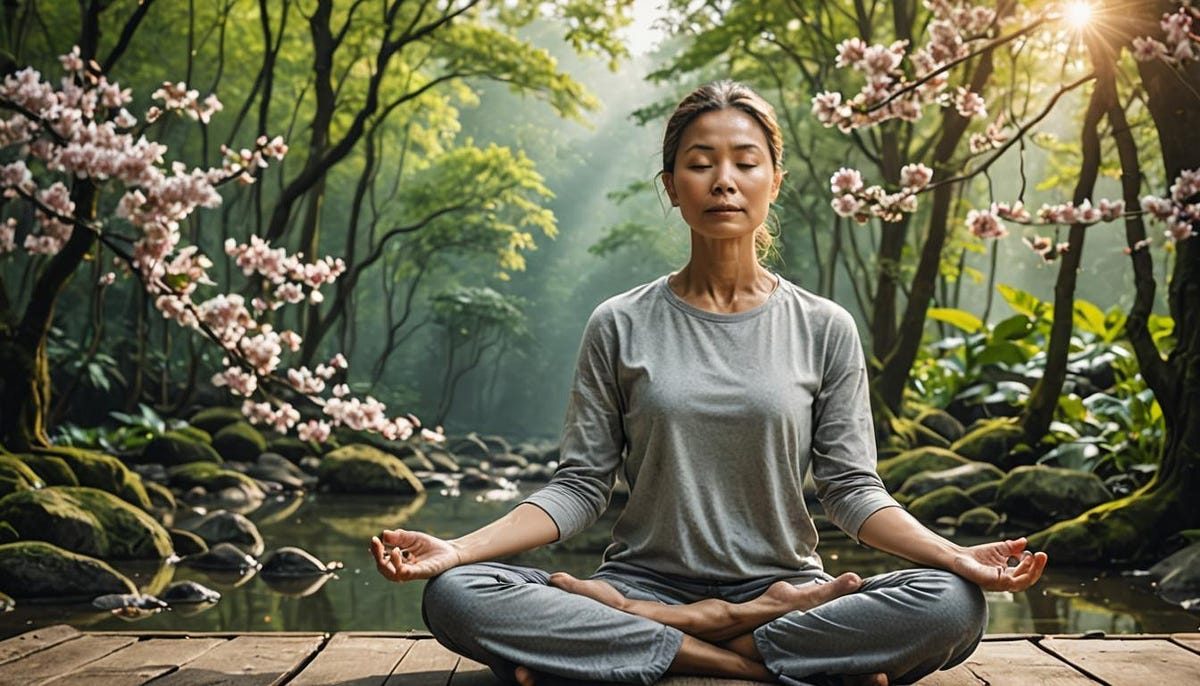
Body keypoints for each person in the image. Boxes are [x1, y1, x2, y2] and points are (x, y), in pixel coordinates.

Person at [369, 80, 1048, 686]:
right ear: (671, 185)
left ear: (774, 181)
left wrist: (955, 556)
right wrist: (455, 550)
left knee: (952, 605)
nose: (724, 180)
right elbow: (579, 489)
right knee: (457, 595)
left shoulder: (825, 326)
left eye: (745, 163)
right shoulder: (619, 323)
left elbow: (851, 491)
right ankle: (735, 648)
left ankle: (637, 644)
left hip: (789, 585)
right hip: (641, 583)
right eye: (700, 164)